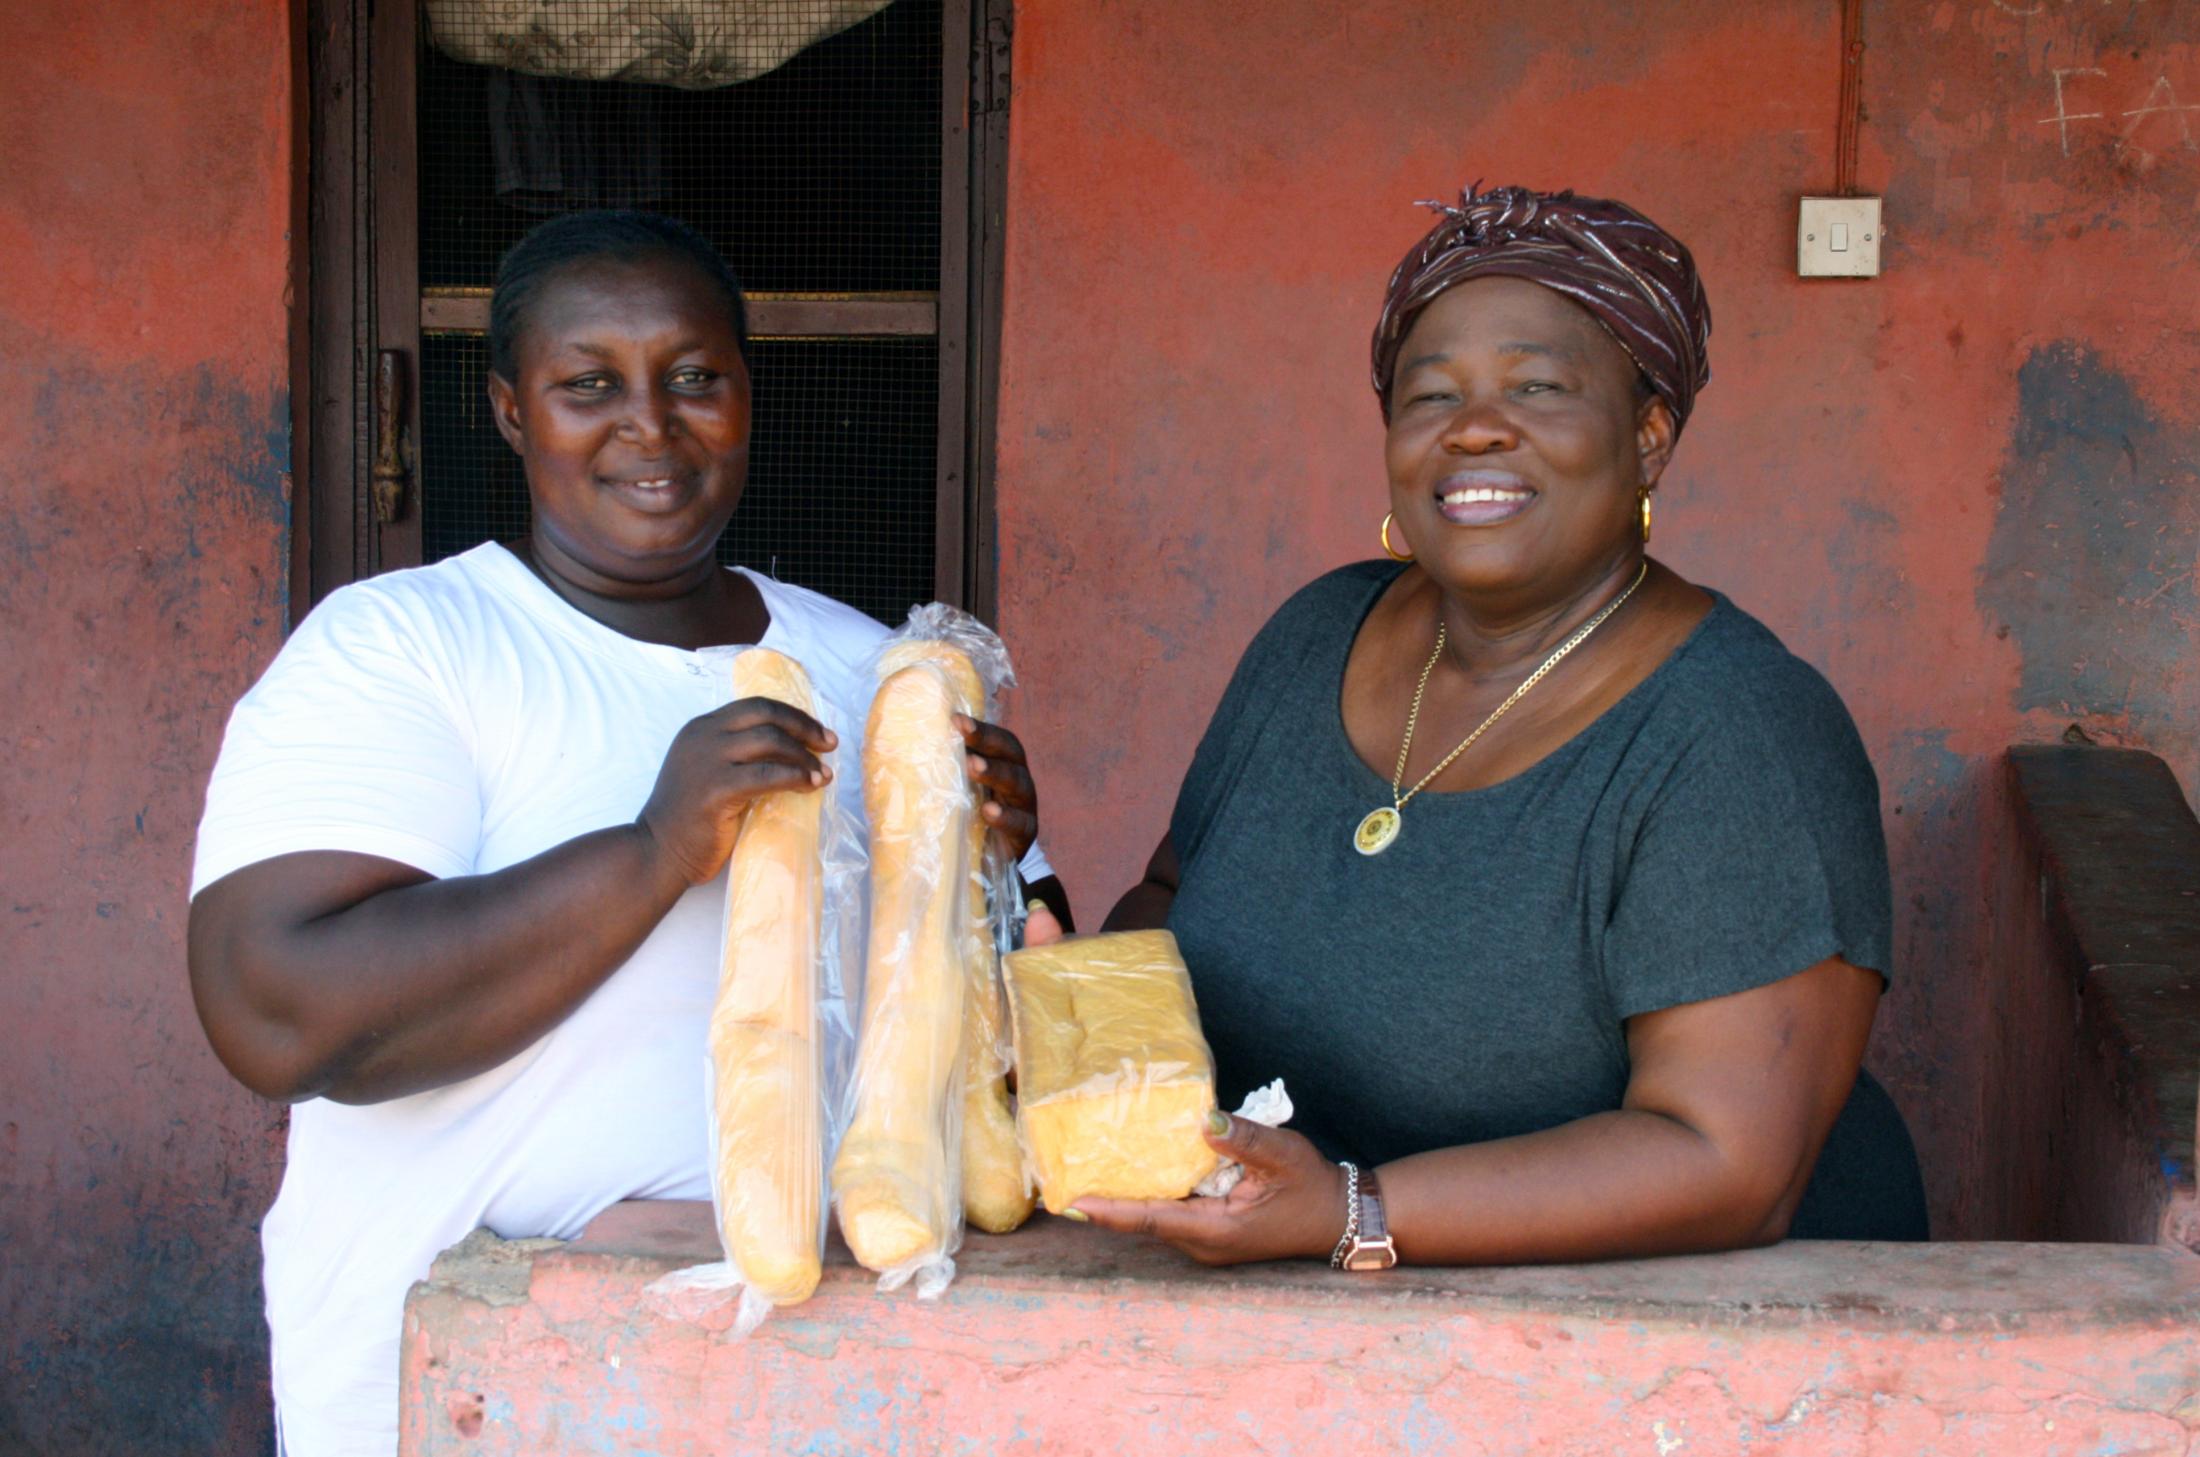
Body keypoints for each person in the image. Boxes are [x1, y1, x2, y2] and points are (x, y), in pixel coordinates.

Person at [186, 210, 1069, 1456]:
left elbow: (1022, 1064)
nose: (649, 425)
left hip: (830, 1396)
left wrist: (998, 879)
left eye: (696, 378)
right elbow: (272, 1009)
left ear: (750, 398)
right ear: (509, 411)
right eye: (588, 383)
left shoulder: (875, 671)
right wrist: (653, 851)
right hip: (454, 1403)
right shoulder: (404, 646)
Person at [1073, 184, 1927, 1270]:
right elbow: (1168, 902)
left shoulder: (1738, 736)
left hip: (1683, 1366)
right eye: (1430, 395)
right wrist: (1073, 1015)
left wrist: (1351, 1208)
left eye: (1536, 386)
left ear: (1650, 436)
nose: (1474, 425)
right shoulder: (1314, 636)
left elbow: (1724, 1159)